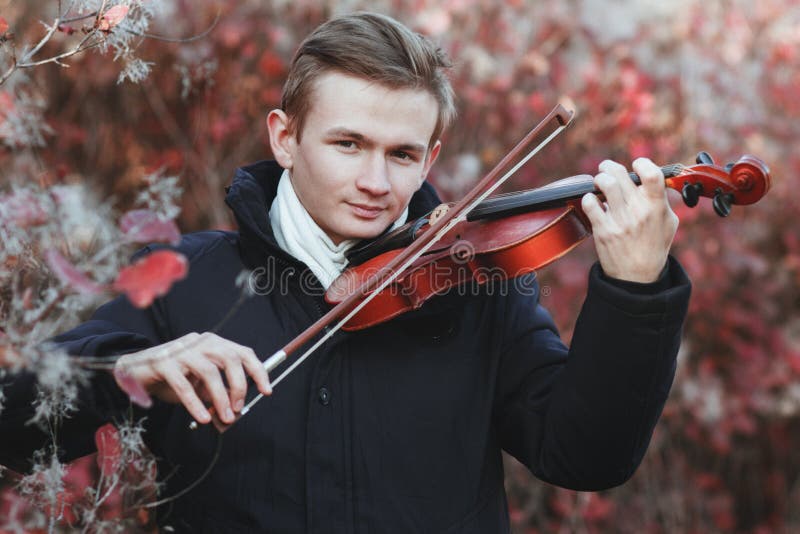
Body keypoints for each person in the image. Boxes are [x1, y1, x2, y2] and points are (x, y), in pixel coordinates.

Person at [0, 12, 691, 533]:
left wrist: (635, 292)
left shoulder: (478, 285)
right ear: (285, 137)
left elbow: (585, 457)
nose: (374, 181)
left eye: (401, 154)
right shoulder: (187, 276)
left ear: (431, 159)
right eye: (348, 143)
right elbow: (15, 426)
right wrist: (134, 368)